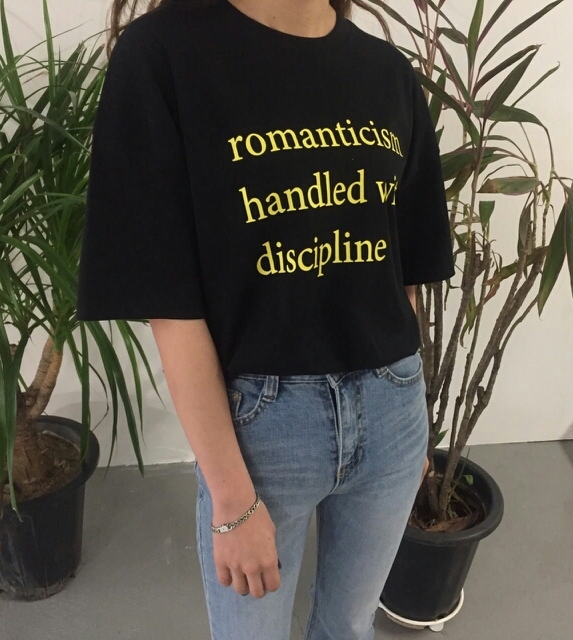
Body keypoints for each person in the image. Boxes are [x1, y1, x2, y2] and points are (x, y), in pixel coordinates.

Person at [75, 0, 455, 637]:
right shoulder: (164, 56)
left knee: (350, 627)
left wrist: (411, 420)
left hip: (392, 408)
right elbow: (170, 304)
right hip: (264, 433)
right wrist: (231, 499)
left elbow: (403, 272)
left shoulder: (386, 72)